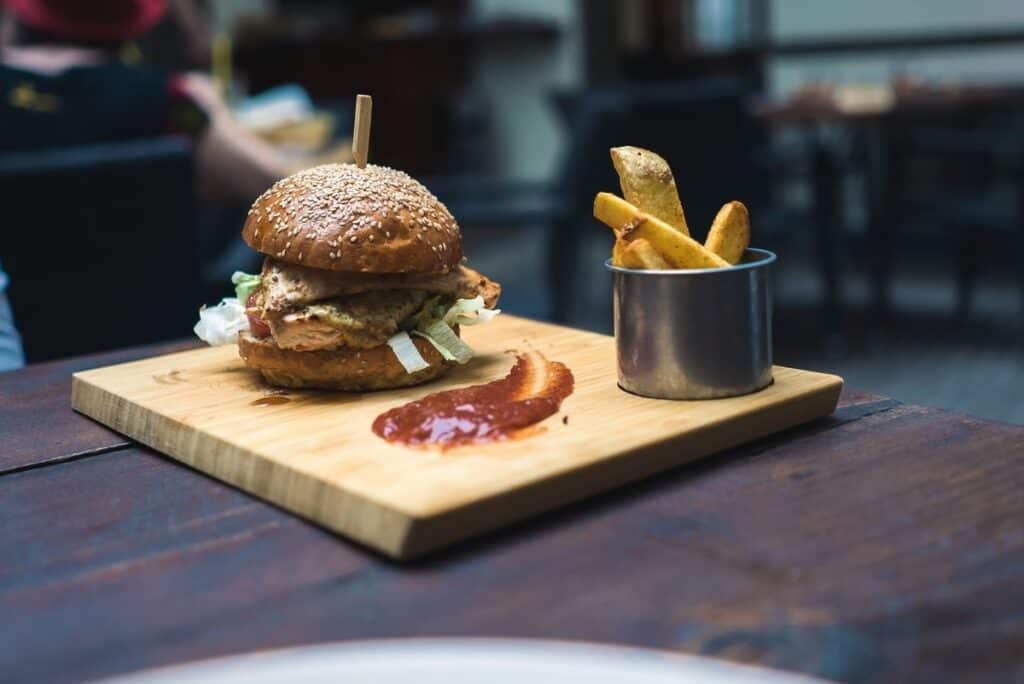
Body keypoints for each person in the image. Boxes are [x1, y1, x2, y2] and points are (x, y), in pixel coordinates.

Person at [0, 0, 299, 369]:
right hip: (157, 353)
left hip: (21, 358)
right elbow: (280, 183)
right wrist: (211, 104)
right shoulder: (171, 99)